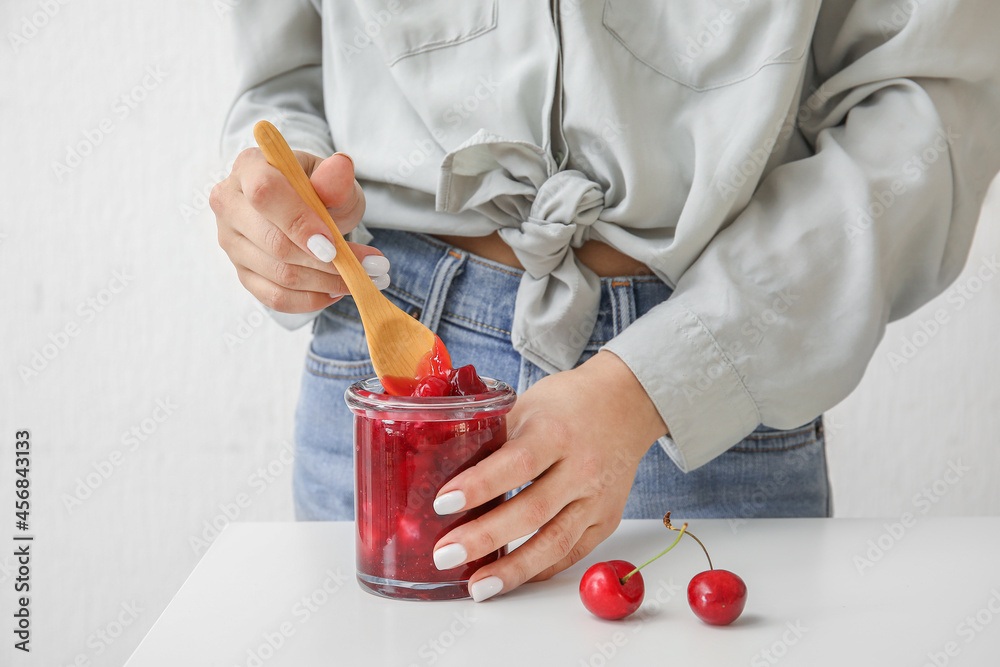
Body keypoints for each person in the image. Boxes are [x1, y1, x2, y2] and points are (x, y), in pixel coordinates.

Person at [211, 1, 1000, 602]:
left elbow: (931, 103)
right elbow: (284, 73)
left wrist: (667, 376)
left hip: (703, 381)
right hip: (388, 344)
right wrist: (278, 191)